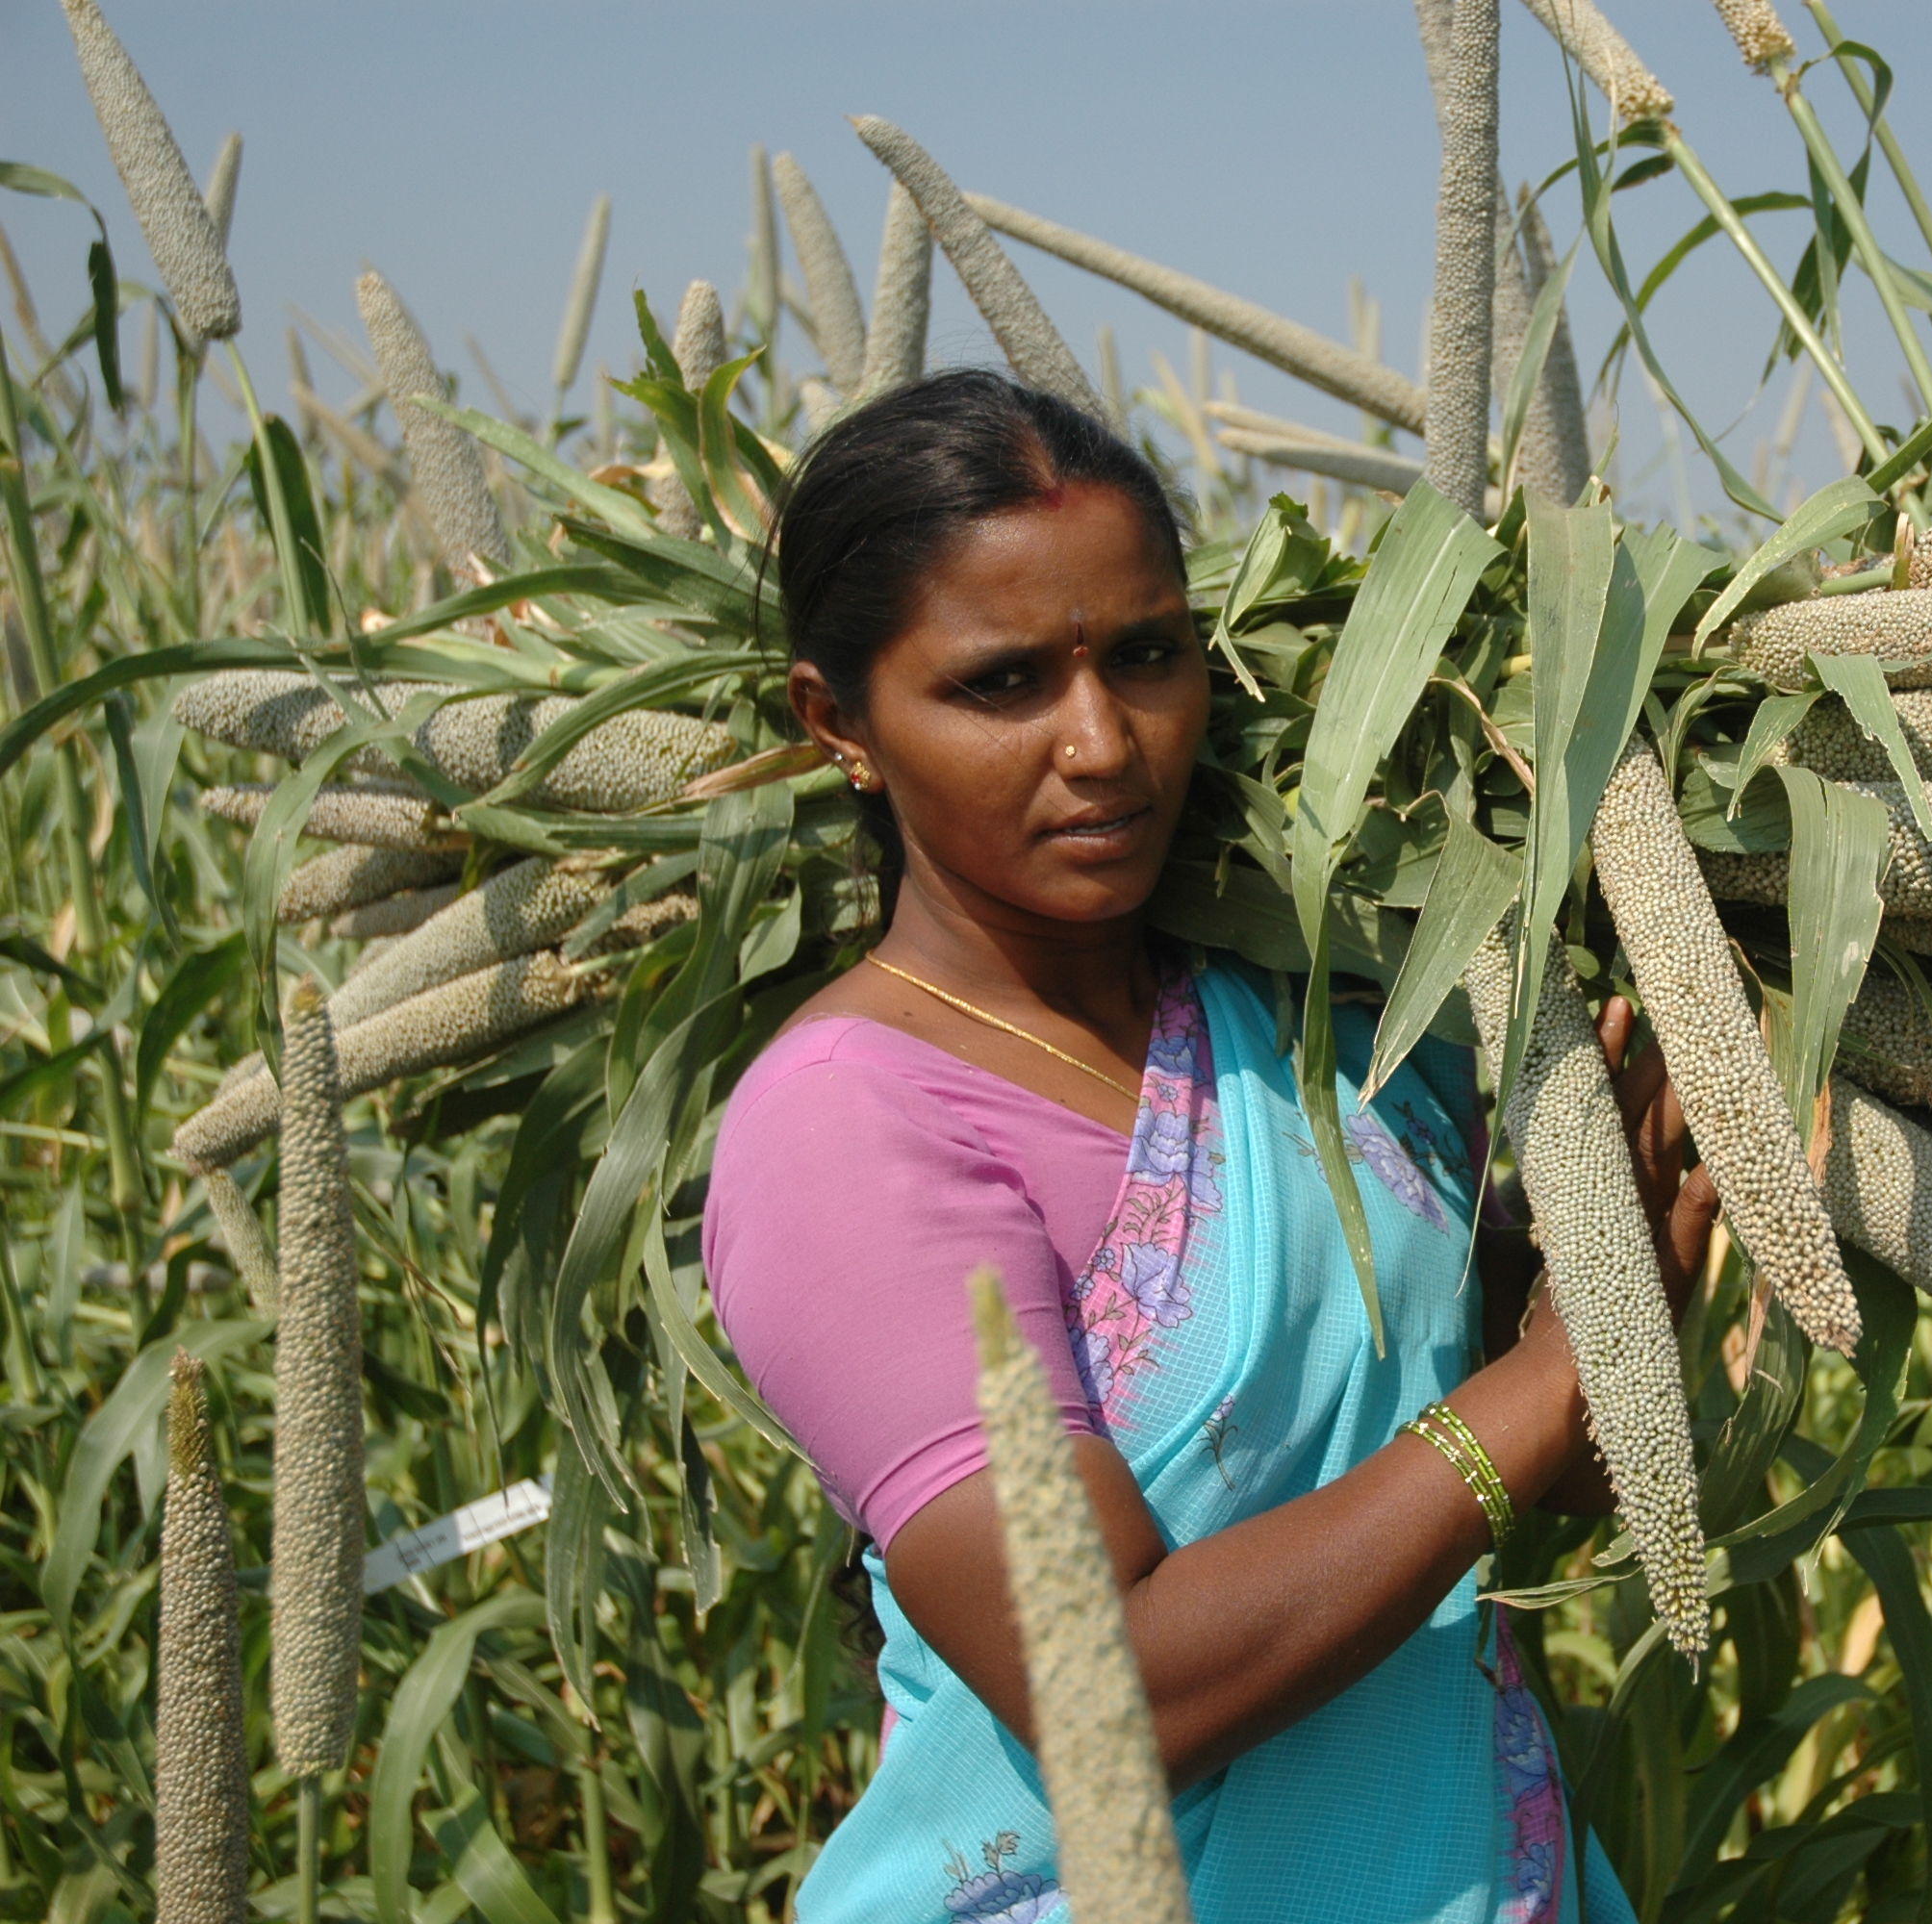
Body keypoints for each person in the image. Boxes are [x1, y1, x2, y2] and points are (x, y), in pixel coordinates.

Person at [703, 368, 1716, 1923]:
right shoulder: (850, 1123)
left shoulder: (1307, 1022)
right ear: (837, 722)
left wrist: (1633, 1262)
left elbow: (1514, 1466)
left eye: (1147, 657)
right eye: (1002, 686)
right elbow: (1117, 1685)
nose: (1104, 744)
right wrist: (1560, 1379)